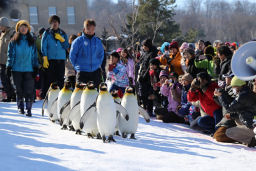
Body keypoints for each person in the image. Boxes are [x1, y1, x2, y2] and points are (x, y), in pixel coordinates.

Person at [6, 20, 38, 117]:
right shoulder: (13, 41)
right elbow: (10, 55)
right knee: (18, 90)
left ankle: (28, 109)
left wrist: (36, 67)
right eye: (21, 27)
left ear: (28, 29)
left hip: (28, 69)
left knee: (28, 90)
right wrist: (9, 66)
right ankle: (20, 107)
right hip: (17, 69)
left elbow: (34, 56)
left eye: (25, 27)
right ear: (18, 29)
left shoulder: (31, 42)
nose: (23, 28)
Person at [215, 76, 256, 147]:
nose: (233, 89)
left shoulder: (242, 96)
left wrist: (221, 95)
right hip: (251, 121)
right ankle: (249, 138)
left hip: (251, 125)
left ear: (238, 86)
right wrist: (232, 116)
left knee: (228, 132)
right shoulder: (247, 93)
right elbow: (244, 111)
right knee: (235, 122)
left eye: (234, 87)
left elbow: (229, 108)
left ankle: (251, 139)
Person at [70, 19, 104, 88]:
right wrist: (77, 67)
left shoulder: (97, 41)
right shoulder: (78, 41)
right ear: (85, 28)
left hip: (95, 72)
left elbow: (101, 54)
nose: (91, 31)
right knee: (81, 94)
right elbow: (72, 56)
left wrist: (97, 64)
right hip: (82, 72)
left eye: (93, 29)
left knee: (95, 94)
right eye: (89, 29)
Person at [41, 15, 69, 91]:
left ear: (58, 23)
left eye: (56, 22)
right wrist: (45, 57)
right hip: (50, 60)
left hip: (60, 60)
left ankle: (60, 97)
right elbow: (43, 46)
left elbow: (66, 46)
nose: (54, 24)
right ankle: (50, 97)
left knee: (60, 80)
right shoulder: (46, 33)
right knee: (50, 80)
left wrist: (62, 39)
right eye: (52, 22)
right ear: (50, 23)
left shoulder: (63, 33)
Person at [137, 39, 157, 115]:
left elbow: (150, 66)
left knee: (148, 93)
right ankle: (144, 107)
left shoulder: (152, 53)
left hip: (149, 76)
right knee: (142, 93)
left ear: (148, 46)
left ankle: (149, 109)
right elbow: (142, 62)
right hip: (143, 74)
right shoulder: (145, 53)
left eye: (144, 46)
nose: (143, 47)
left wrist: (145, 75)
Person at [0, 17, 16, 102]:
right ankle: (10, 95)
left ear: (4, 25)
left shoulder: (12, 33)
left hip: (9, 61)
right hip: (2, 61)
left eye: (1, 25)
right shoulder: (2, 34)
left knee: (10, 80)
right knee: (4, 80)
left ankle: (13, 96)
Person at [35, 27, 46, 99]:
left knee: (41, 80)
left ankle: (39, 95)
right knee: (41, 80)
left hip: (41, 64)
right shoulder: (39, 41)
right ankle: (40, 95)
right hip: (41, 64)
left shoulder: (38, 40)